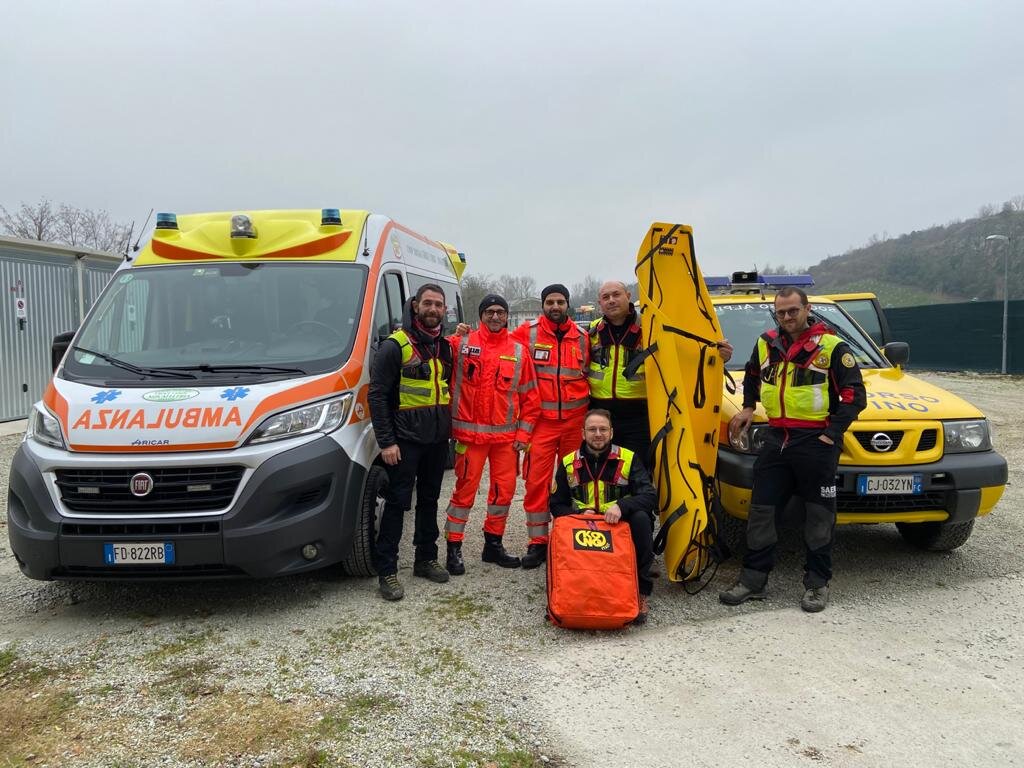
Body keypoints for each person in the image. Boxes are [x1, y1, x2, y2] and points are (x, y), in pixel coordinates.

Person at [719, 287, 866, 612]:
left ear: (807, 308)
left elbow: (855, 397)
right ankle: (753, 580)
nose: (787, 317)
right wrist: (746, 407)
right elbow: (753, 375)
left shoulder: (832, 346)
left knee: (818, 518)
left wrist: (832, 434)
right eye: (781, 312)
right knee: (761, 513)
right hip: (775, 440)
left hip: (816, 444)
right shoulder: (766, 342)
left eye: (792, 311)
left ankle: (817, 584)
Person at [367, 283, 454, 601]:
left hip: (435, 440)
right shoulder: (395, 345)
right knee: (397, 503)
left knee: (430, 500)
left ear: (445, 310)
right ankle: (387, 571)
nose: (433, 309)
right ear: (415, 306)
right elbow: (376, 395)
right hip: (404, 441)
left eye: (439, 305)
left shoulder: (445, 346)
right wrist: (387, 442)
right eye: (428, 303)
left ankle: (425, 559)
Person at [443, 294, 541, 574]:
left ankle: (493, 546)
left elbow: (531, 399)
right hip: (469, 439)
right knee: (464, 492)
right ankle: (454, 548)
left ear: (507, 316)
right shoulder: (460, 344)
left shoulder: (519, 351)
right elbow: (431, 342)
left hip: (505, 441)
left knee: (503, 494)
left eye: (500, 312)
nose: (495, 316)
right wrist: (455, 331)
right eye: (490, 312)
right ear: (481, 315)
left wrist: (523, 436)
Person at [587, 280, 732, 467]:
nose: (611, 300)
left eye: (616, 295)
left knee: (635, 471)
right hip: (601, 416)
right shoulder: (591, 331)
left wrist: (720, 355)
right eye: (605, 297)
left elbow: (687, 354)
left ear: (628, 297)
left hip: (639, 417)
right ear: (600, 303)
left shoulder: (651, 328)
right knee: (602, 471)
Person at [549, 409, 658, 623]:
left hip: (617, 524)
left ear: (611, 432)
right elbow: (555, 504)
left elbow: (649, 496)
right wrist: (578, 513)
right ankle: (566, 590)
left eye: (603, 429)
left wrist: (622, 506)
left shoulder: (628, 458)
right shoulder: (568, 462)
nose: (597, 434)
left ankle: (641, 591)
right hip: (584, 526)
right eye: (592, 429)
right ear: (583, 433)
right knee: (562, 524)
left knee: (642, 519)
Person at [510, 284, 591, 569]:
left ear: (567, 304)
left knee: (577, 481)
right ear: (543, 305)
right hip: (541, 424)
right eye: (549, 302)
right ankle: (538, 543)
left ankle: (576, 533)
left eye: (560, 302)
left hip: (574, 425)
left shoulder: (583, 338)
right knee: (536, 483)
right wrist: (461, 338)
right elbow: (497, 348)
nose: (555, 306)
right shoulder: (527, 333)